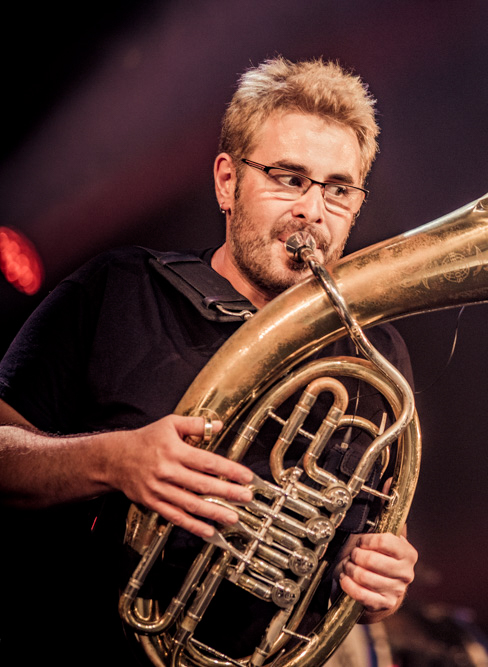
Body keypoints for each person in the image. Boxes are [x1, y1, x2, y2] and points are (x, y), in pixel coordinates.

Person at [0, 57, 417, 664]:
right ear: (227, 181)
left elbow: (376, 531)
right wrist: (113, 461)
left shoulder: (376, 355)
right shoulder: (118, 290)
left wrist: (379, 576)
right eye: (288, 177)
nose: (313, 211)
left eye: (338, 188)